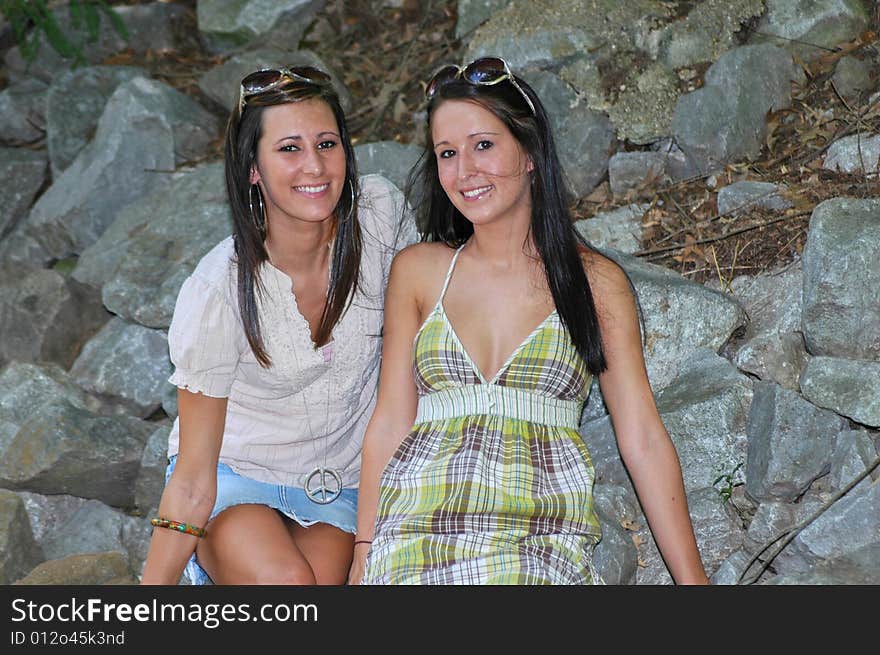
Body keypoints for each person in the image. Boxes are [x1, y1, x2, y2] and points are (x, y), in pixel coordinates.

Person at [349, 57, 709, 585]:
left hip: (536, 542)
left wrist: (693, 582)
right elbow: (389, 425)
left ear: (530, 151)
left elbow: (642, 437)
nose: (465, 170)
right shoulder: (419, 272)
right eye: (447, 153)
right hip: (416, 537)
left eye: (484, 144)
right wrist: (363, 555)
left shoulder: (595, 283)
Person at [141, 65, 416, 585]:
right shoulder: (218, 290)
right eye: (289, 149)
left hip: (337, 485)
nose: (314, 165)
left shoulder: (381, 218)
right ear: (253, 168)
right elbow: (194, 478)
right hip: (234, 480)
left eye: (327, 143)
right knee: (288, 586)